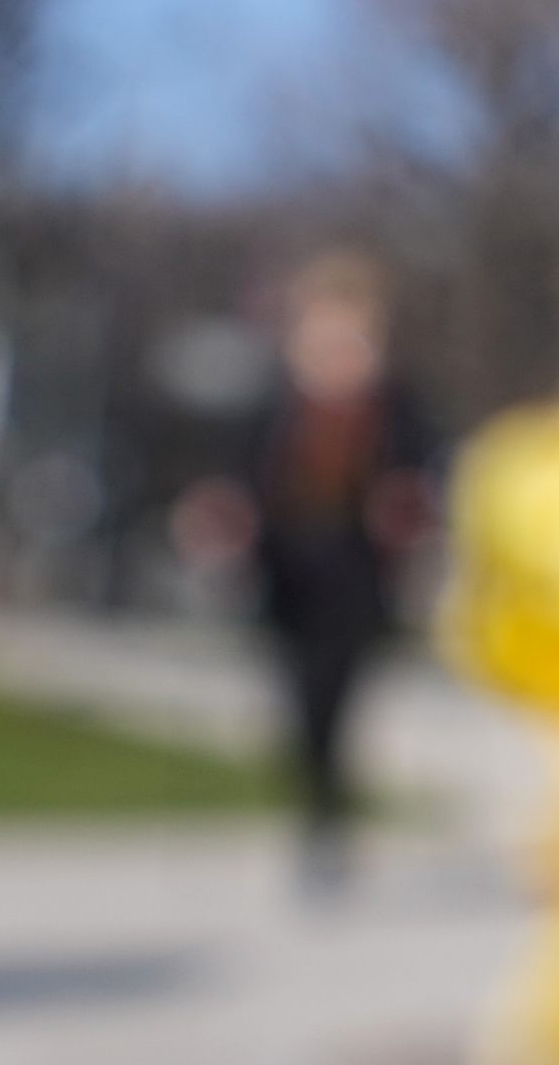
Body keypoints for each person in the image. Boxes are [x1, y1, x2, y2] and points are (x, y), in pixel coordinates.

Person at [183, 256, 436, 899]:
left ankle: (329, 821)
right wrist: (222, 517)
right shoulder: (276, 406)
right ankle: (316, 815)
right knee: (299, 704)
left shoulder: (395, 409)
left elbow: (425, 476)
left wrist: (408, 506)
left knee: (340, 698)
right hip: (287, 573)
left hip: (355, 575)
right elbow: (238, 479)